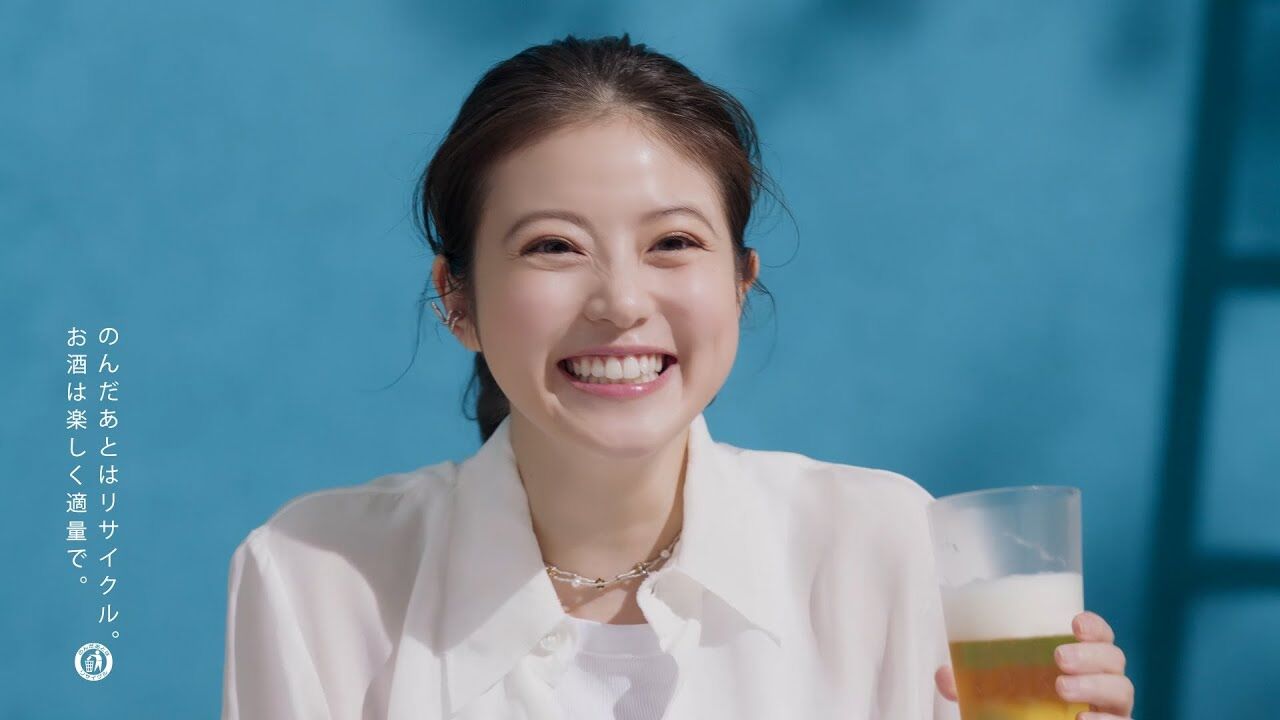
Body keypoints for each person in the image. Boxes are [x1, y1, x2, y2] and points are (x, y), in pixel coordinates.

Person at [221, 33, 1135, 720]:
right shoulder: (317, 579)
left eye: (673, 243)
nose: (621, 302)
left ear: (741, 282)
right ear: (455, 298)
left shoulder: (885, 546)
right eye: (553, 247)